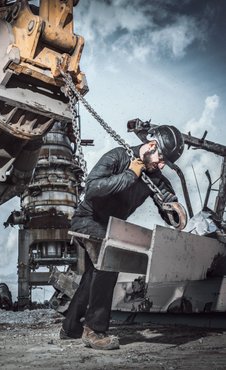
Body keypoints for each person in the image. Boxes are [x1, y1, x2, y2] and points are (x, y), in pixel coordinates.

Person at [60, 124, 185, 350]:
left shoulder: (154, 177)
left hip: (110, 227)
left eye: (167, 162)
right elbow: (93, 188)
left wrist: (174, 212)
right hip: (88, 219)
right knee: (109, 261)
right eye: (161, 158)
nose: (162, 164)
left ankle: (70, 328)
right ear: (150, 145)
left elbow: (165, 198)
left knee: (92, 274)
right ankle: (95, 331)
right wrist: (130, 174)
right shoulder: (118, 156)